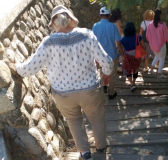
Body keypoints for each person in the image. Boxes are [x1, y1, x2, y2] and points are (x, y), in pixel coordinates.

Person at [15, 5, 113, 160]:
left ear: (53, 24)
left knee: (74, 120)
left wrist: (16, 66)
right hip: (90, 90)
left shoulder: (48, 42)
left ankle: (84, 152)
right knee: (97, 118)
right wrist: (106, 74)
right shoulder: (87, 35)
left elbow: (29, 68)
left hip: (63, 94)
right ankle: (101, 150)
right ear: (71, 19)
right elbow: (107, 61)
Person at [92, 7, 124, 99]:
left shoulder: (95, 26)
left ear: (100, 15)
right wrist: (122, 54)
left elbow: (93, 42)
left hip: (100, 55)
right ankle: (111, 92)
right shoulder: (113, 26)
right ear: (109, 16)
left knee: (102, 71)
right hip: (112, 54)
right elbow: (118, 42)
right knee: (113, 74)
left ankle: (103, 86)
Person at [146, 9, 168, 78]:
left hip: (152, 46)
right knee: (161, 59)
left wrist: (152, 41)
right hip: (160, 46)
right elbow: (166, 35)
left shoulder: (150, 25)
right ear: (160, 15)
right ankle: (159, 74)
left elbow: (147, 36)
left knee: (157, 56)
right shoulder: (163, 25)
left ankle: (151, 69)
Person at [120, 21, 145, 91]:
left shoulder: (123, 39)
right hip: (137, 56)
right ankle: (133, 82)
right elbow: (144, 46)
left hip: (127, 57)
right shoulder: (138, 36)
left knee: (126, 70)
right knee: (135, 69)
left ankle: (131, 83)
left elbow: (120, 47)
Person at [110, 8, 123, 73]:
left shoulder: (110, 21)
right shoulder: (118, 21)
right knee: (119, 53)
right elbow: (119, 31)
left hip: (111, 39)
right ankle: (119, 67)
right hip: (117, 39)